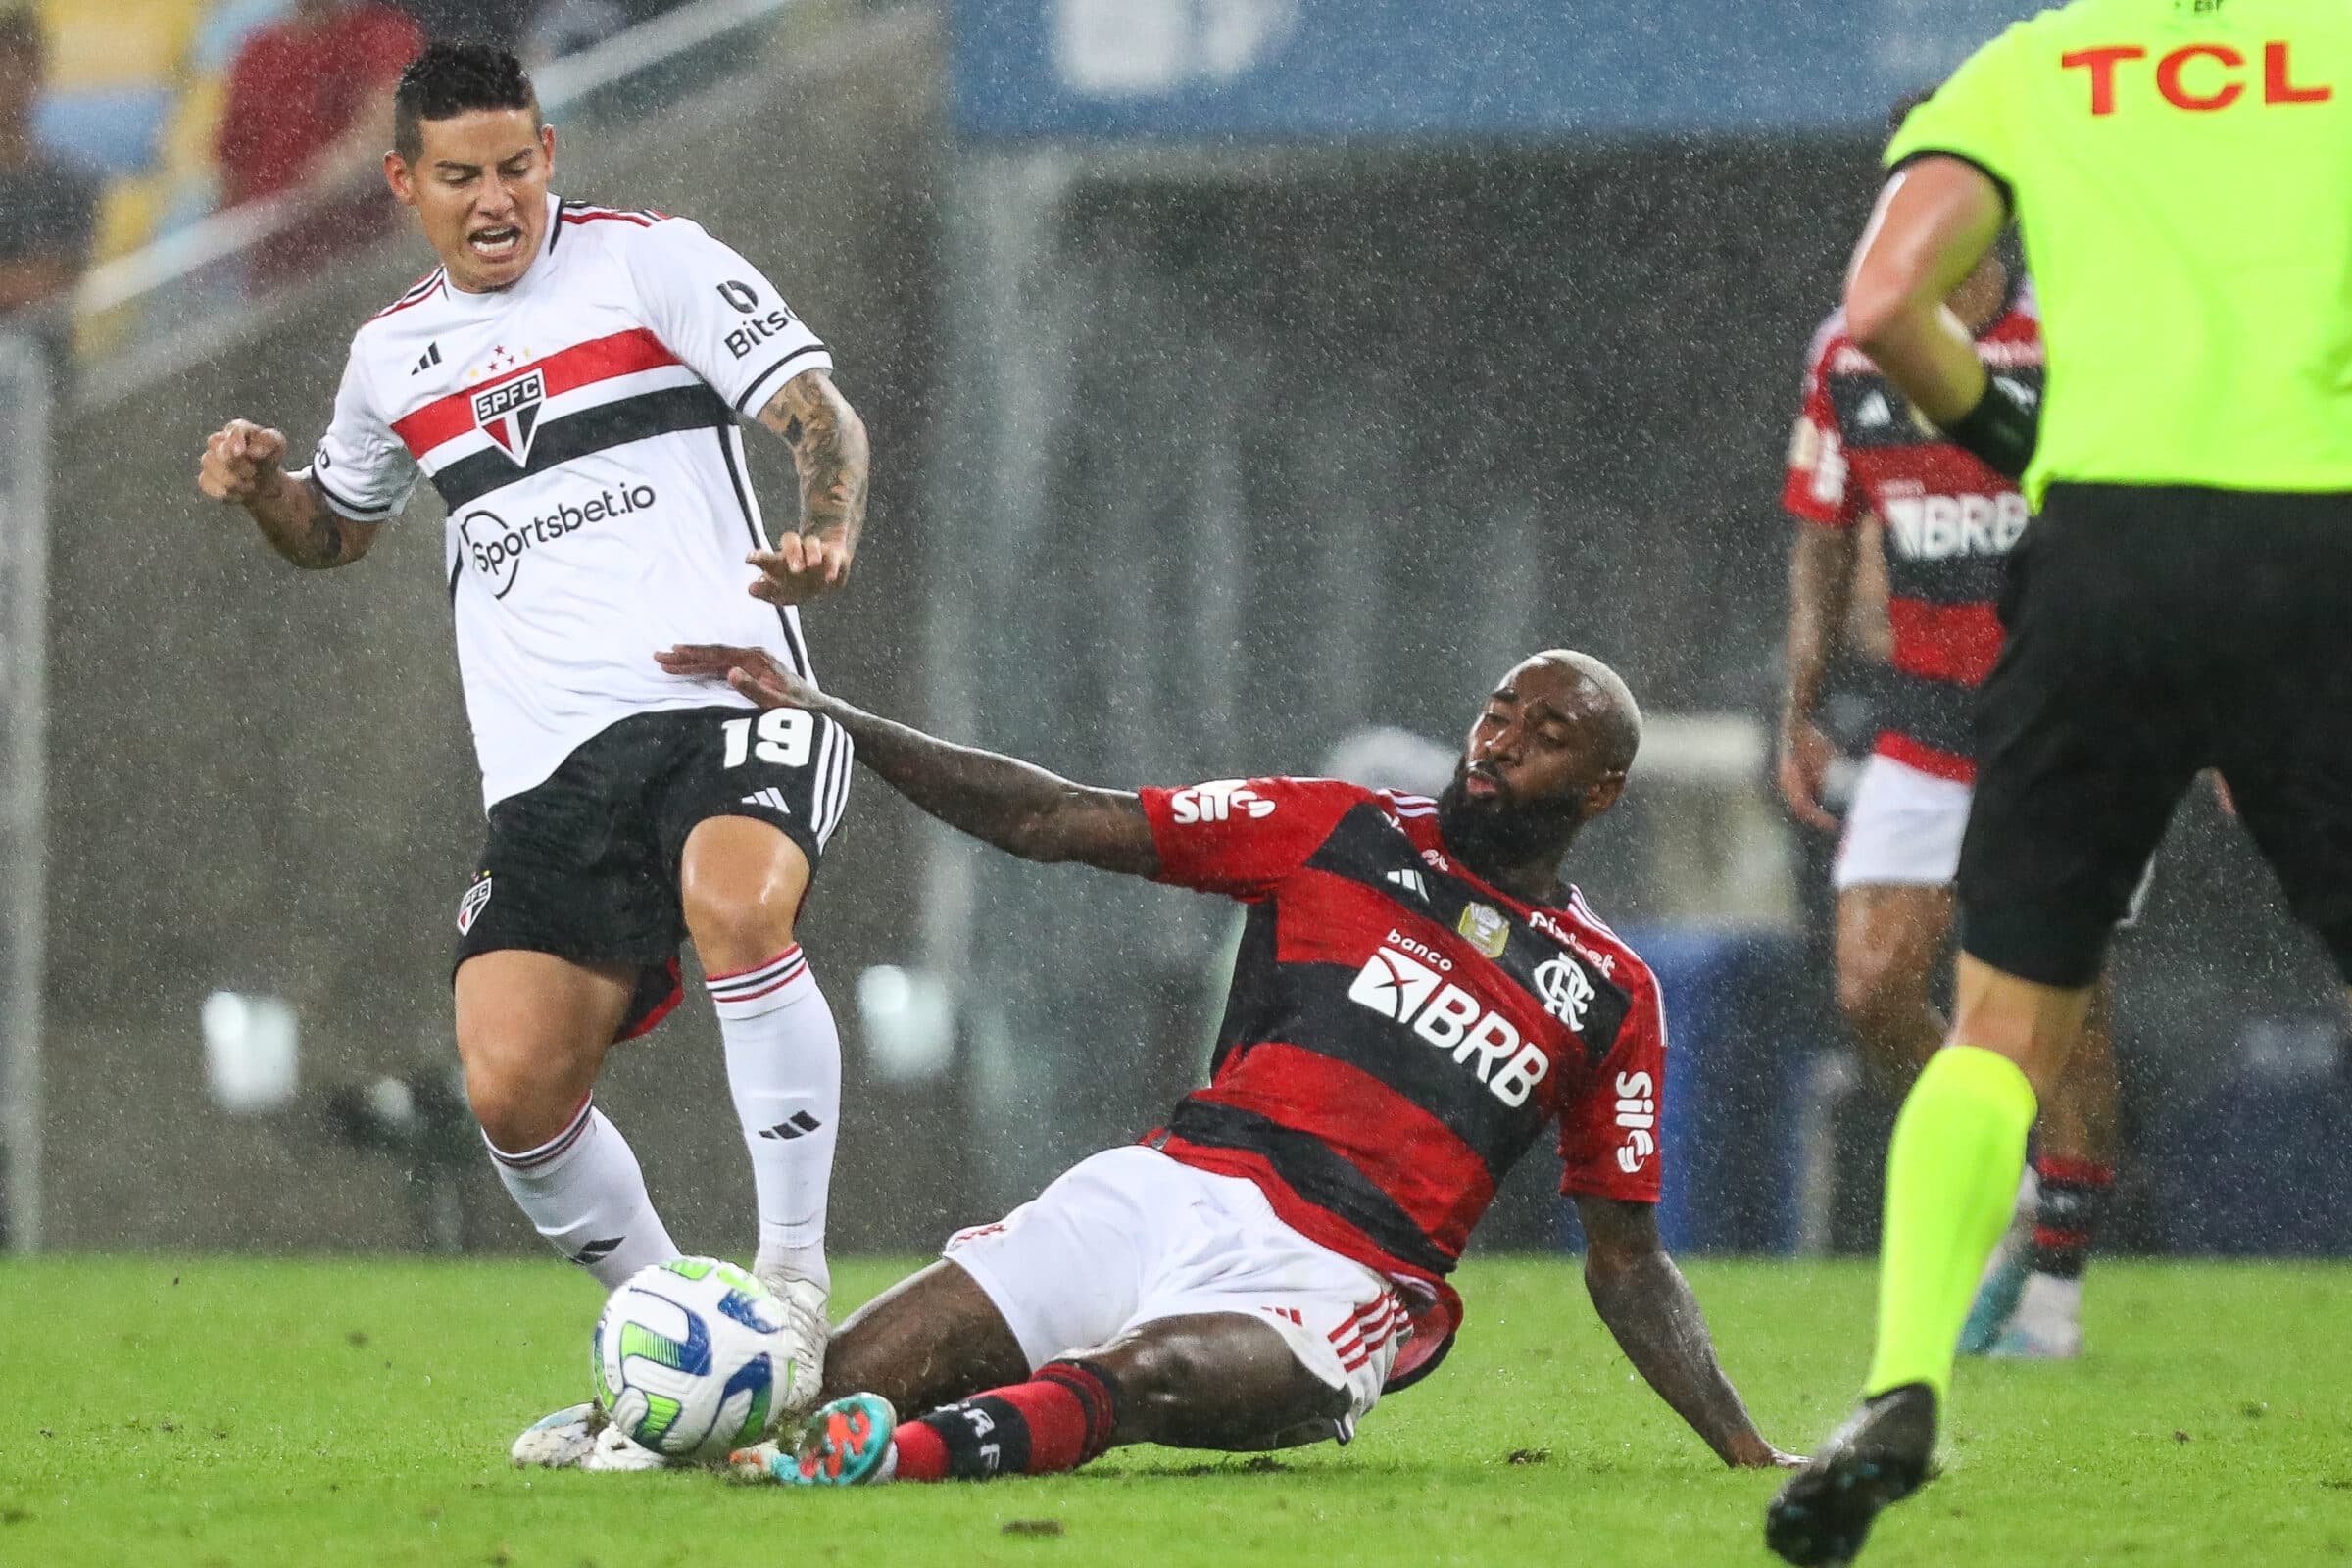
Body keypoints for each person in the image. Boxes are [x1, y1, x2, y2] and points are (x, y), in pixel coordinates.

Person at [625, 643, 1797, 1485]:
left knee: (1158, 1371)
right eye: (1501, 710)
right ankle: (633, 1426)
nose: (1503, 742)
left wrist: (1746, 1448)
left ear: (1601, 792)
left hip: (1343, 1270)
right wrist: (841, 718)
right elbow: (1059, 819)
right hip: (1166, 1185)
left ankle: (889, 1465)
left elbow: (1627, 1259)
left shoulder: (1605, 987)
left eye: (1549, 737)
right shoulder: (1339, 828)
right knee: (848, 1369)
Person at [192, 41, 870, 1448]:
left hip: (728, 697)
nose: (494, 201)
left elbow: (814, 409)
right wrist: (266, 492)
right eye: (461, 178)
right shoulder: (389, 354)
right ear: (404, 185)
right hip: (553, 765)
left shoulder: (655, 263)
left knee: (738, 903)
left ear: (549, 154)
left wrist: (830, 530)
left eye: (516, 167)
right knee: (508, 1083)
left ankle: (794, 1288)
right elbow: (337, 530)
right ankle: (696, 1377)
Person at [1768, 3, 2352, 1562]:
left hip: (2099, 559)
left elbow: (1887, 300)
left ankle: (1899, 1385)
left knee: (2000, 1021)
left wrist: (2018, 431)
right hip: (2314, 548)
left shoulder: (2034, 66)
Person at [1777, 96, 2121, 1361]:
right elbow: (1823, 526)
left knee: (2064, 1011)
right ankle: (2010, 1183)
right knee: (1872, 985)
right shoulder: (1850, 350)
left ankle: (2059, 1291)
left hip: (2061, 720)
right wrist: (1799, 703)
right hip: (1922, 720)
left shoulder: (2074, 336)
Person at [215, 0, 424, 285]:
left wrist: (336, 169)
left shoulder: (377, 33)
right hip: (281, 277)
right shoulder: (258, 54)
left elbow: (392, 121)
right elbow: (232, 175)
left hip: (367, 263)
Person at [0, 11, 98, 368]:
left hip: (44, 372)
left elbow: (53, 282)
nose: (8, 79)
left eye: (19, 63)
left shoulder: (71, 181)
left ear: (38, 73)